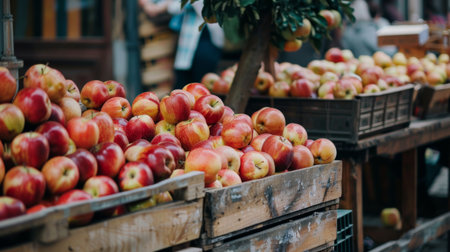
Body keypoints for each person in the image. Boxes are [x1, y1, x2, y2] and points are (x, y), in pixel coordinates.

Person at [139, 0, 224, 89]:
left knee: (195, 86)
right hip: (191, 45)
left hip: (203, 42)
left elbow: (176, 7)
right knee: (186, 86)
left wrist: (157, 8)